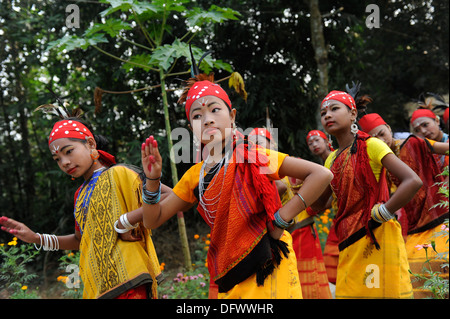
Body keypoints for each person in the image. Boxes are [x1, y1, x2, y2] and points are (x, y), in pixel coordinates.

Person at [135, 73, 333, 299]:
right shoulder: (195, 176)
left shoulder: (255, 156)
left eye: (214, 110)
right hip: (229, 271)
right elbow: (153, 219)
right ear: (191, 128)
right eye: (197, 116)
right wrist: (152, 180)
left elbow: (320, 174)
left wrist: (281, 219)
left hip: (269, 264)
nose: (207, 119)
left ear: (232, 116)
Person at [0, 113, 166, 299]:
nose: (64, 162)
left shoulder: (119, 173)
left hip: (130, 281)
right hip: (97, 288)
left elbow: (172, 198)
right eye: (57, 159)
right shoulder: (79, 195)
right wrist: (35, 238)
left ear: (90, 144)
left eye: (68, 151)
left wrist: (125, 221)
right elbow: (81, 240)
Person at [310, 89, 422, 299]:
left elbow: (413, 181)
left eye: (334, 109)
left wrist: (385, 211)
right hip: (348, 243)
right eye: (323, 112)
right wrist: (305, 182)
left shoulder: (372, 145)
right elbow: (320, 204)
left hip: (376, 236)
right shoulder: (331, 160)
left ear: (353, 114)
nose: (327, 115)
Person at [359, 113, 449, 298]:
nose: (380, 141)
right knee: (416, 280)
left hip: (440, 219)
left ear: (389, 128)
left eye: (382, 133)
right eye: (374, 139)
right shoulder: (383, 161)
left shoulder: (414, 142)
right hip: (415, 227)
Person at [250, 128, 332, 299]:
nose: (254, 146)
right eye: (250, 144)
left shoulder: (293, 165)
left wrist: (310, 207)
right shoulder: (254, 171)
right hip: (277, 238)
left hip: (301, 232)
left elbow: (319, 189)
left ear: (272, 143)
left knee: (310, 285)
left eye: (259, 141)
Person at [306, 130, 339, 290]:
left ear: (328, 142)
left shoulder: (336, 158)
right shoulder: (322, 166)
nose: (314, 145)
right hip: (338, 216)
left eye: (317, 140)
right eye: (310, 143)